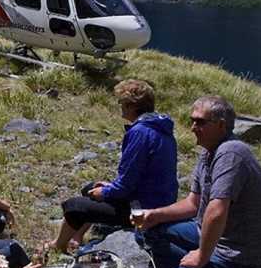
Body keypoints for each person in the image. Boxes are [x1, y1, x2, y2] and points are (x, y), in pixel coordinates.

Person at [136, 95, 261, 268]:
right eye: (192, 121)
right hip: (212, 236)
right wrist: (154, 215)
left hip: (238, 255)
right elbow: (194, 203)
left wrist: (201, 256)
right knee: (147, 231)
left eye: (200, 122)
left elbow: (217, 212)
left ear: (221, 125)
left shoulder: (231, 153)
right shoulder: (208, 153)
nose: (193, 128)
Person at [52, 79, 178, 253]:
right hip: (157, 200)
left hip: (141, 210)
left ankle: (58, 247)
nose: (120, 106)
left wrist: (106, 191)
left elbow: (127, 184)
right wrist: (109, 187)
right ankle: (77, 236)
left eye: (122, 102)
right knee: (91, 188)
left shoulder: (140, 132)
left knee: (74, 206)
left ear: (131, 105)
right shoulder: (160, 129)